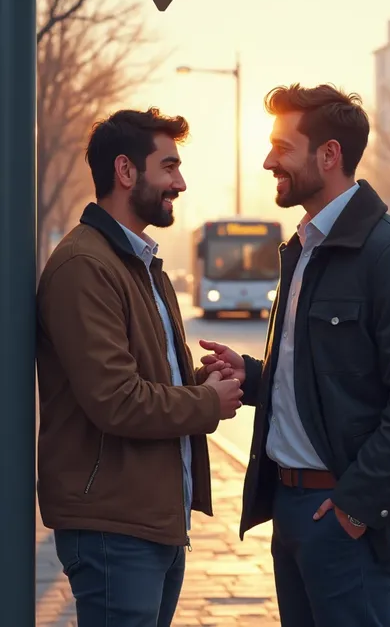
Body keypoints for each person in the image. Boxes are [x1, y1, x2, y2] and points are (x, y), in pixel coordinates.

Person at [200, 84, 390, 627]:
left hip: (340, 515)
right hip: (292, 509)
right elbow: (321, 378)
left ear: (329, 155)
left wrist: (355, 508)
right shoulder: (304, 248)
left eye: (281, 147)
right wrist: (250, 376)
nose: (269, 160)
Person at [36, 108, 243, 627]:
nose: (181, 181)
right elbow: (116, 399)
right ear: (126, 172)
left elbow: (146, 383)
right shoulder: (86, 265)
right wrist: (207, 403)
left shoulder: (137, 263)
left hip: (150, 522)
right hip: (113, 527)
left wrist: (203, 382)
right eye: (169, 166)